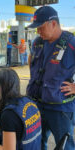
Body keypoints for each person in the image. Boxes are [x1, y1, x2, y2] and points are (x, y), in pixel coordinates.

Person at [26, 6, 75, 150]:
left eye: (40, 27)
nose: (38, 31)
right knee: (36, 143)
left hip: (60, 109)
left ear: (53, 23)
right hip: (36, 105)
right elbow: (31, 60)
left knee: (65, 146)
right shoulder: (37, 42)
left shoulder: (71, 43)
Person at [0, 68, 41, 150]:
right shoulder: (28, 101)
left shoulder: (9, 114)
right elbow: (24, 128)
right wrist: (5, 127)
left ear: (0, 87)